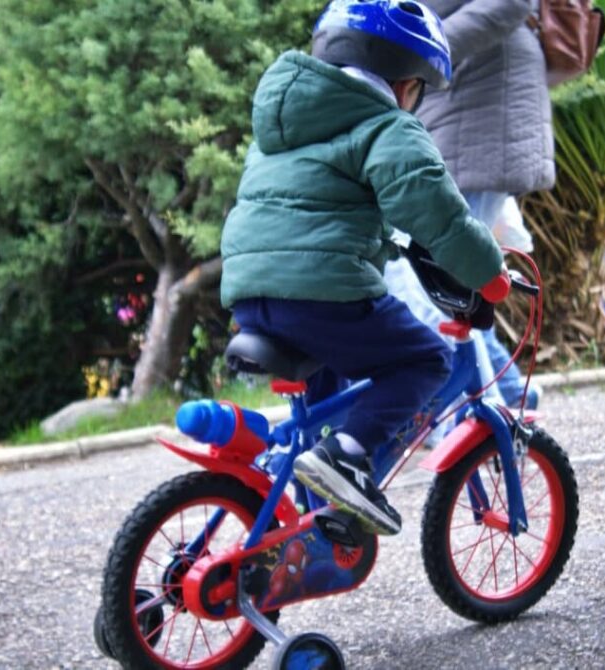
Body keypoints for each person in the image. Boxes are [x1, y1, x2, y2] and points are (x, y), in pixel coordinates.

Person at [220, 0, 508, 536]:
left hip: (249, 293)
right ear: (405, 83)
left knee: (328, 391)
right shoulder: (385, 125)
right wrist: (488, 273)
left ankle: (317, 513)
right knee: (424, 360)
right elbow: (438, 215)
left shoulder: (285, 124)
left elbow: (309, 208)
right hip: (320, 292)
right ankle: (346, 457)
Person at [382, 0, 550, 409]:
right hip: (460, 111)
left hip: (484, 110)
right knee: (455, 284)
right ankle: (510, 399)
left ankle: (483, 421)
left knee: (435, 274)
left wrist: (422, 49)